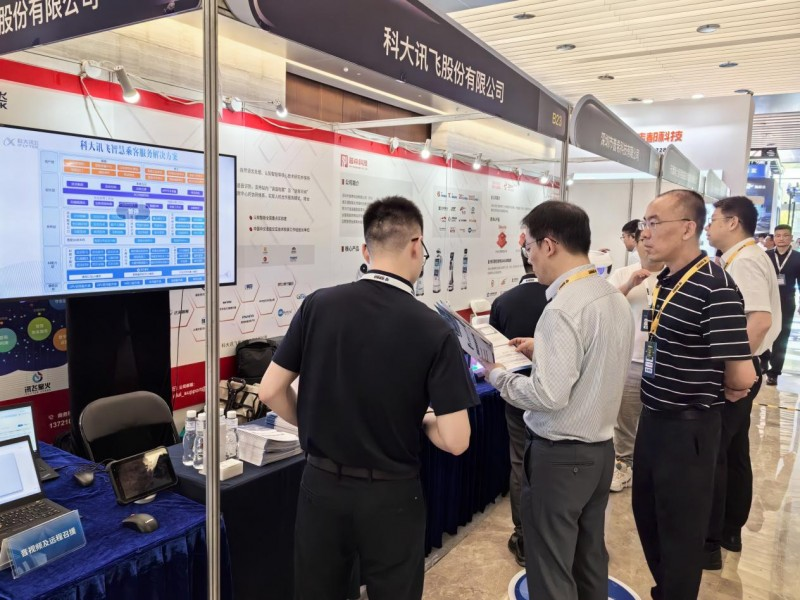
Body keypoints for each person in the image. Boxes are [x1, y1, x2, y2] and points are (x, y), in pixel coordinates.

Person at [258, 196, 477, 600]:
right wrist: (424, 420)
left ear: (365, 251)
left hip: (321, 485)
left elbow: (270, 390)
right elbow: (457, 440)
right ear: (416, 245)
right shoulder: (434, 329)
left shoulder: (318, 305)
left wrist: (313, 424)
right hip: (391, 495)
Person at [481, 200, 634, 600]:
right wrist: (543, 350)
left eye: (529, 246)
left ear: (548, 245)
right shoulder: (611, 296)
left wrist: (496, 374)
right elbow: (596, 360)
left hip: (561, 459)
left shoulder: (563, 308)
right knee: (588, 559)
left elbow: (547, 395)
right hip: (600, 452)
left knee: (550, 567)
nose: (529, 256)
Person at [634, 190, 756, 600]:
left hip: (688, 429)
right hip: (653, 418)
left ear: (688, 228)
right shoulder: (666, 280)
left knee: (681, 535)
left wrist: (714, 387)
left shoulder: (715, 286)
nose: (645, 233)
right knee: (649, 518)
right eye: (644, 224)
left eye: (654, 223)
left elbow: (741, 374)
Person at [703, 196, 780, 568]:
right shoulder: (743, 257)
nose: (708, 227)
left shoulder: (745, 261)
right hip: (750, 367)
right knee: (734, 452)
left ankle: (710, 542)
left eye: (713, 219)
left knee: (717, 454)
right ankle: (730, 530)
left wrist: (736, 371)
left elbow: (759, 321)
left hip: (742, 372)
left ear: (733, 222)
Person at [489, 247, 549, 566]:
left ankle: (523, 536)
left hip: (516, 394)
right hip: (557, 398)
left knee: (519, 463)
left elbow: (492, 354)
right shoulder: (562, 300)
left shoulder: (503, 302)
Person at [606, 228, 665, 492]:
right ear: (636, 244)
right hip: (631, 358)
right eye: (643, 240)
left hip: (664, 361)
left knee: (660, 418)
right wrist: (630, 285)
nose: (648, 244)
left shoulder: (675, 275)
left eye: (654, 238)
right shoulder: (622, 273)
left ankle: (655, 465)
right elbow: (605, 306)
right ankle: (624, 464)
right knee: (626, 417)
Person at [763, 224, 800, 386]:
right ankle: (763, 361)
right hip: (766, 301)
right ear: (774, 238)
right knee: (763, 332)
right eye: (778, 235)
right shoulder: (766, 256)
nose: (781, 239)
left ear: (791, 238)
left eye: (785, 235)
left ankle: (774, 372)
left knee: (782, 337)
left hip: (787, 301)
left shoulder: (797, 258)